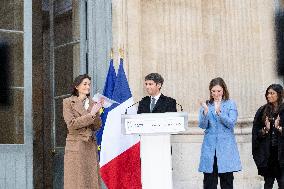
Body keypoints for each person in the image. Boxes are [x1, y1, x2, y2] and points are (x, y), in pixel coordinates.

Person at [198, 77, 241, 189]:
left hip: (226, 148)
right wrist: (205, 113)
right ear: (210, 91)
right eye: (213, 91)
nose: (216, 94)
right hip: (210, 147)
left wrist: (220, 113)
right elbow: (202, 125)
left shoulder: (230, 103)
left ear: (223, 90)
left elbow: (231, 123)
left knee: (227, 181)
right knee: (209, 181)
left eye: (218, 91)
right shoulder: (207, 104)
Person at [63, 74, 103, 189]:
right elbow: (71, 124)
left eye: (89, 84)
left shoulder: (92, 103)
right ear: (77, 86)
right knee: (76, 181)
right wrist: (90, 115)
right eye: (85, 84)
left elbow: (97, 126)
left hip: (90, 145)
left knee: (90, 182)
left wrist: (96, 113)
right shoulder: (68, 102)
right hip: (76, 145)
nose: (88, 87)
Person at [252, 84, 284, 189]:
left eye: (272, 93)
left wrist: (279, 128)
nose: (269, 96)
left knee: (282, 182)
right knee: (268, 184)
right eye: (268, 93)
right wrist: (266, 129)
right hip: (269, 155)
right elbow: (256, 134)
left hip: (282, 155)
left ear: (279, 95)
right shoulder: (262, 111)